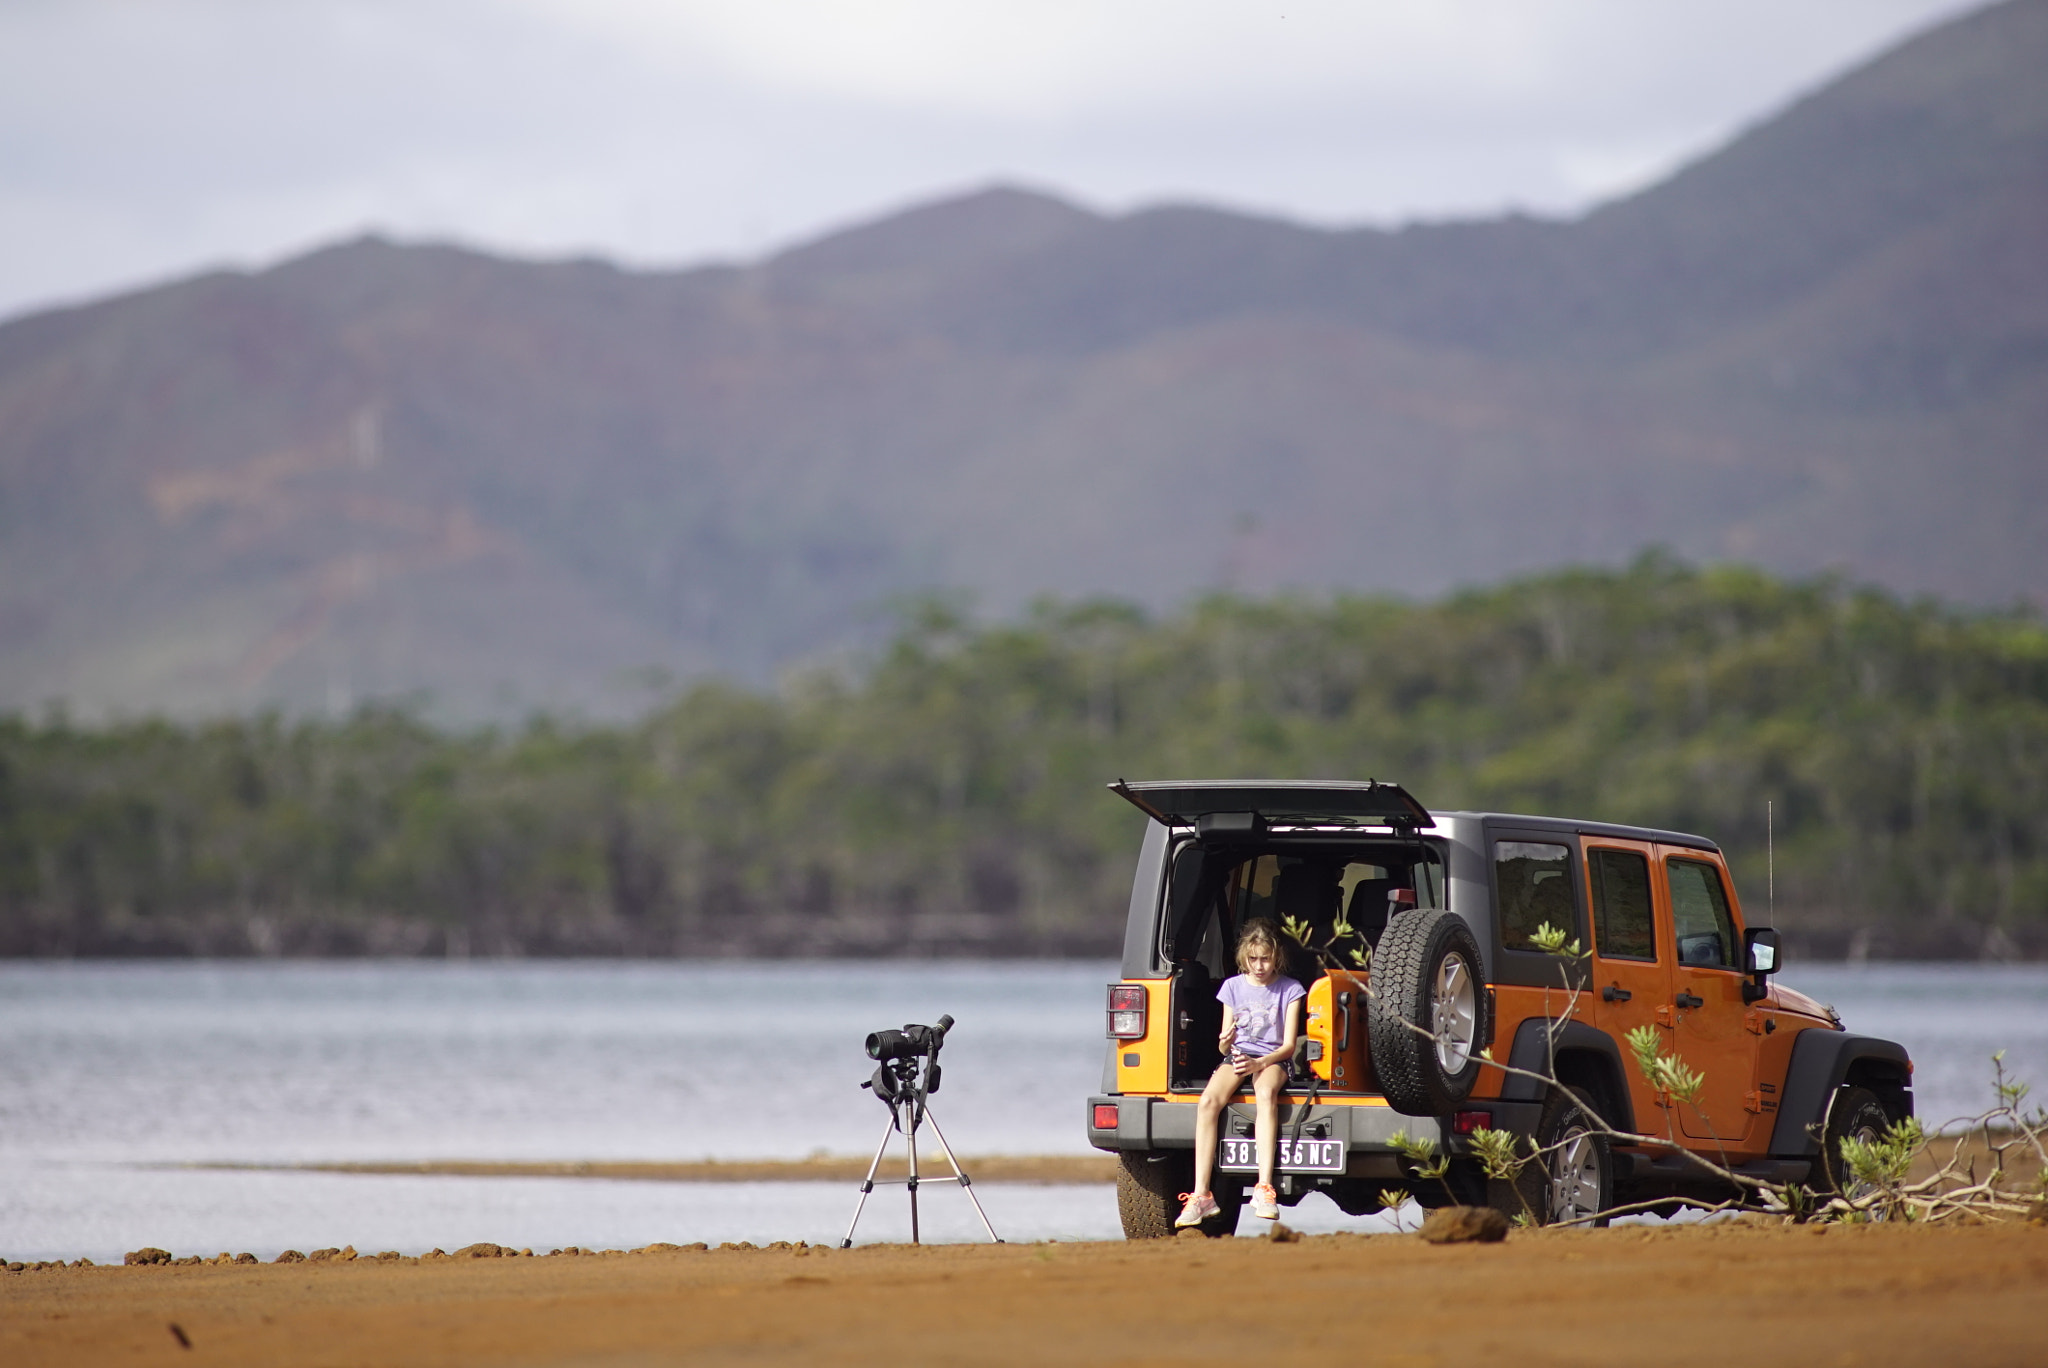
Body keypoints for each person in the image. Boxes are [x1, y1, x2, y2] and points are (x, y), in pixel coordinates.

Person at [1177, 917, 1306, 1227]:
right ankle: (1201, 1195)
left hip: (1273, 1059)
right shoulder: (1232, 987)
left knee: (1265, 1093)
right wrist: (1225, 1043)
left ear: (1277, 956)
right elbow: (1224, 1046)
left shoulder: (1290, 989)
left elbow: (1289, 1045)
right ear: (1243, 957)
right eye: (1253, 959)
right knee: (1208, 1102)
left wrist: (1260, 1065)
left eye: (1265, 958)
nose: (1259, 965)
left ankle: (1264, 1188)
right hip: (1239, 1056)